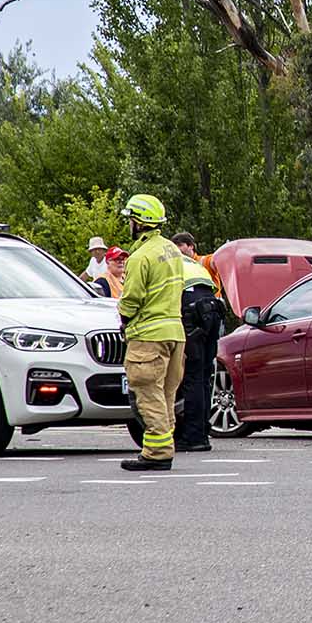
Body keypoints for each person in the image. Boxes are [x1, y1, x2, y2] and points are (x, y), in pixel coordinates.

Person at [116, 194, 186, 471]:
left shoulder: (139, 257)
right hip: (175, 332)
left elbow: (131, 299)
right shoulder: (171, 250)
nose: (128, 224)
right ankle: (163, 445)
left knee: (148, 394)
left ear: (138, 222)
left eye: (130, 219)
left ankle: (157, 453)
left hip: (148, 335)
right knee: (166, 395)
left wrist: (124, 317)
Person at [173, 253, 223, 453]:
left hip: (191, 308)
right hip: (211, 307)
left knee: (192, 376)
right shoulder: (190, 263)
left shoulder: (162, 262)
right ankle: (202, 431)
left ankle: (193, 436)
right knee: (203, 375)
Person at [170, 231, 223, 299]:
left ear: (191, 246)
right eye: (174, 246)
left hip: (212, 305)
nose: (177, 249)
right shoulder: (176, 266)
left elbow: (216, 261)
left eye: (180, 245)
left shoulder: (204, 260)